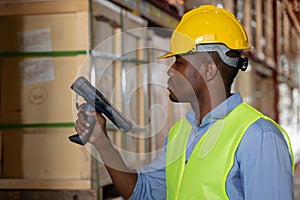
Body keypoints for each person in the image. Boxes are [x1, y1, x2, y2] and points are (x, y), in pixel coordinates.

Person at [75, 5, 294, 200]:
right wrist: (102, 142)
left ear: (208, 70)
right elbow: (142, 192)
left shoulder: (259, 137)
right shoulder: (181, 133)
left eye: (179, 63)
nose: (170, 71)